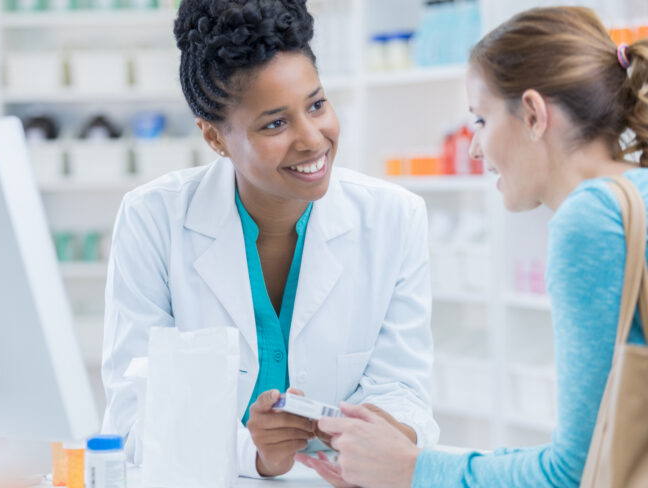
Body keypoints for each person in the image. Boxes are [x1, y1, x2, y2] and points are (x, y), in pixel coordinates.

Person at [297, 6, 648, 488]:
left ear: (533, 114)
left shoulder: (592, 217)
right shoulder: (637, 192)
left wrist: (411, 470)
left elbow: (575, 474)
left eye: (480, 120)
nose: (475, 149)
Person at [100, 0, 439, 479]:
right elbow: (134, 415)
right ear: (215, 138)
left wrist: (388, 430)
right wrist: (255, 454)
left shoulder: (394, 218)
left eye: (317, 105)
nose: (312, 139)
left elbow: (405, 390)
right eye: (275, 123)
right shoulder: (153, 220)